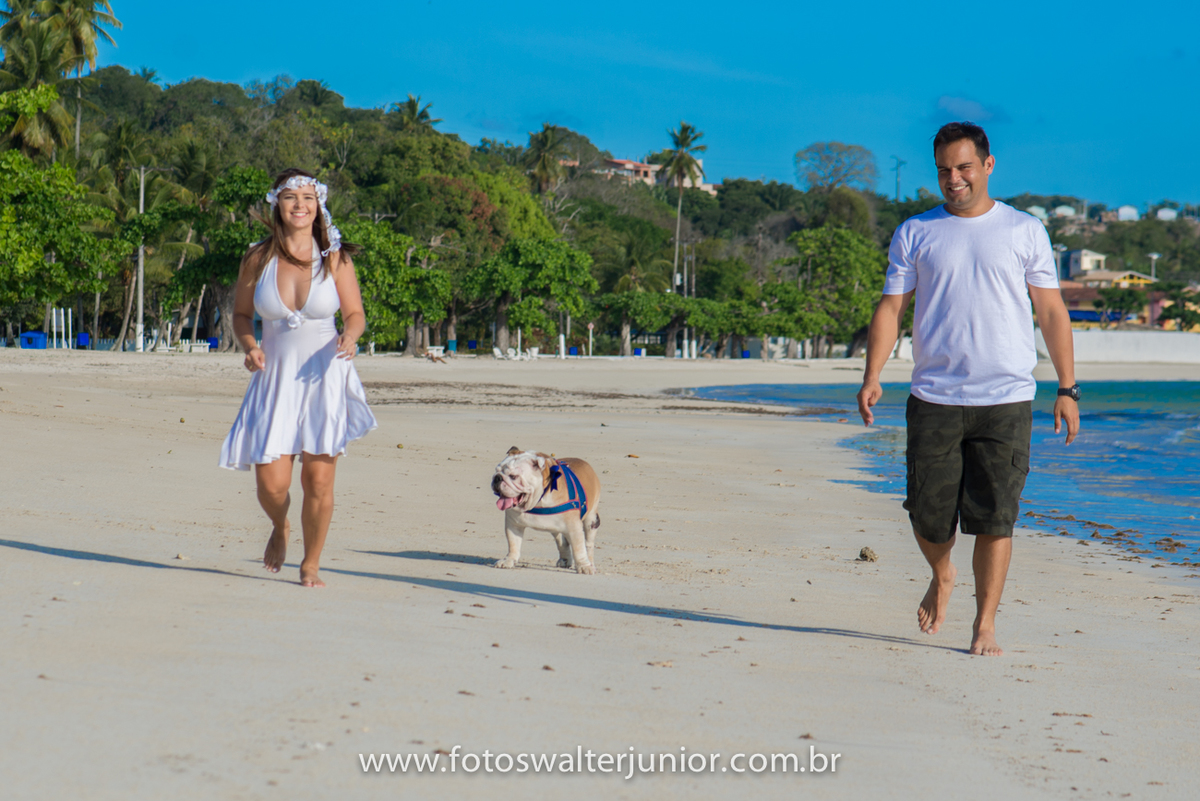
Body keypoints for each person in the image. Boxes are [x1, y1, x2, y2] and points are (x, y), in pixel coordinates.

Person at [856, 122, 1080, 656]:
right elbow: (892, 308)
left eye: (962, 168)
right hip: (934, 395)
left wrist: (1067, 389)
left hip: (1005, 398)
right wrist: (872, 375)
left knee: (995, 516)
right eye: (943, 171)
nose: (953, 179)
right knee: (927, 514)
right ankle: (942, 572)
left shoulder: (1024, 230)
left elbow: (1050, 310)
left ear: (988, 165)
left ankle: (985, 624)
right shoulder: (917, 231)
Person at [219, 168, 377, 588]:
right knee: (271, 486)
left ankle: (311, 563)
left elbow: (356, 314)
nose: (300, 205)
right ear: (277, 204)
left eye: (308, 198)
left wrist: (352, 335)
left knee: (319, 480)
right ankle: (280, 524)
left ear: (318, 205)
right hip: (275, 379)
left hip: (325, 375)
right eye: (291, 198)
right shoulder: (257, 258)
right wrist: (250, 345)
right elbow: (240, 315)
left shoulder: (336, 258)